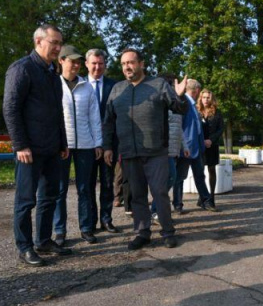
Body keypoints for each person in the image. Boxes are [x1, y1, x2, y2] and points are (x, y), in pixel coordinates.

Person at [102, 49, 188, 249]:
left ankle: (167, 231)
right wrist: (107, 146)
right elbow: (108, 121)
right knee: (137, 195)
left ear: (141, 64)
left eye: (131, 62)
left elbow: (179, 109)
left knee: (159, 192)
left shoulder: (158, 85)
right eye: (123, 64)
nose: (127, 67)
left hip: (156, 151)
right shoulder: (117, 89)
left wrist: (180, 95)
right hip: (129, 152)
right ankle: (142, 232)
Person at [2, 24, 71, 267]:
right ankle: (24, 247)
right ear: (38, 42)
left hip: (52, 149)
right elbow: (10, 108)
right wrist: (20, 144)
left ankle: (43, 240)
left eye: (59, 43)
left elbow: (57, 113)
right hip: (28, 150)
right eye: (54, 42)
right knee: (25, 200)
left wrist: (63, 142)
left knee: (49, 197)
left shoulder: (53, 73)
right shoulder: (22, 69)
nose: (58, 47)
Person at [55, 46, 103, 246]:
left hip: (85, 144)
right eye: (71, 61)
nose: (75, 65)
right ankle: (59, 231)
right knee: (59, 189)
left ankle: (86, 228)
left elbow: (94, 117)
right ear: (61, 61)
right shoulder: (53, 84)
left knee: (84, 188)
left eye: (77, 62)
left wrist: (98, 142)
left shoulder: (87, 86)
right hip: (62, 145)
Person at [84, 48, 118, 233]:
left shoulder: (114, 86)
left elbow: (114, 118)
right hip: (86, 145)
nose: (97, 67)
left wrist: (108, 146)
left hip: (108, 145)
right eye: (94, 63)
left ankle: (106, 219)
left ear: (105, 65)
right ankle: (89, 222)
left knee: (107, 183)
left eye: (101, 63)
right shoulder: (79, 85)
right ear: (87, 64)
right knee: (88, 185)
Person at [175, 79, 215, 211]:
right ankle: (177, 204)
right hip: (185, 148)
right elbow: (179, 126)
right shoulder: (183, 103)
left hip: (196, 147)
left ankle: (206, 201)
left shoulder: (192, 105)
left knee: (199, 175)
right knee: (180, 177)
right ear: (197, 91)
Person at [150, 74, 184, 223]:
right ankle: (155, 211)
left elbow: (179, 128)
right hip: (163, 149)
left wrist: (185, 146)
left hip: (174, 149)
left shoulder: (175, 103)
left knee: (170, 178)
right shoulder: (160, 100)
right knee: (169, 178)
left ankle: (157, 210)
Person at [198, 89, 224, 200]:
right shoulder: (196, 111)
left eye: (208, 97)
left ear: (211, 98)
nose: (206, 99)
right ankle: (202, 196)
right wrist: (202, 140)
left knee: (211, 170)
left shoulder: (217, 112)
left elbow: (220, 129)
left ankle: (212, 197)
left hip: (212, 146)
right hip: (199, 145)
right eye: (204, 97)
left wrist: (211, 140)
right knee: (199, 172)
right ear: (200, 98)